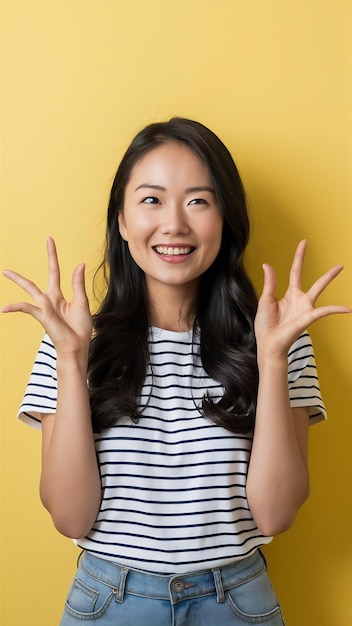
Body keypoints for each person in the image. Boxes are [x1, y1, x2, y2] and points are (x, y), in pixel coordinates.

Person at [2, 118, 350, 626]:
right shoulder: (74, 338)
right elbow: (70, 517)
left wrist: (273, 359)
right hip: (109, 601)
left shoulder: (278, 336)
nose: (174, 225)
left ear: (225, 219)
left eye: (198, 201)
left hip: (235, 602)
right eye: (151, 200)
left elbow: (276, 514)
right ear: (121, 221)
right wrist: (72, 360)